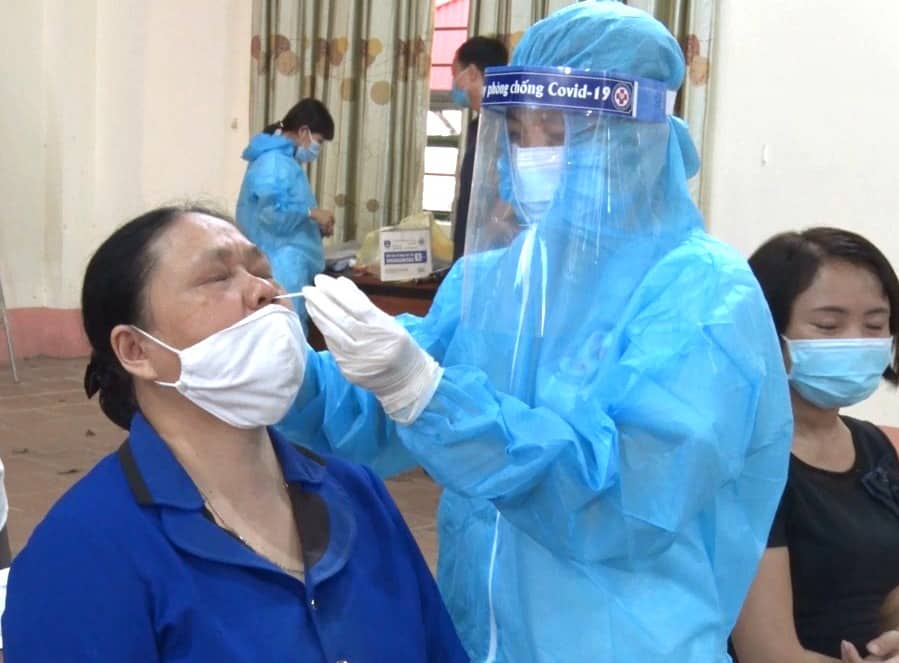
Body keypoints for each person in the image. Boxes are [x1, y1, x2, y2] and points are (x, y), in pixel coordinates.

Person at [280, 3, 793, 660]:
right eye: (522, 133)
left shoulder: (703, 292)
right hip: (480, 633)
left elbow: (622, 496)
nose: (535, 154)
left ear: (638, 137)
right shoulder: (498, 275)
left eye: (560, 131)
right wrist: (292, 377)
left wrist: (429, 396)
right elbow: (384, 406)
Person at [0, 205, 467, 662]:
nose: (264, 291)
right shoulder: (81, 555)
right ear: (136, 349)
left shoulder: (359, 495)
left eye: (263, 272)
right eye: (217, 278)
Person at [732, 228, 899, 663]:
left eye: (875, 325)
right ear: (769, 332)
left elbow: (888, 595)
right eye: (829, 325)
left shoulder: (875, 446)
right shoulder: (747, 461)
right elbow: (768, 653)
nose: (857, 341)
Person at [236, 98, 335, 332]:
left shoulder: (284, 161)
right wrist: (311, 213)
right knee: (286, 334)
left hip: (286, 263)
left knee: (287, 332)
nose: (317, 149)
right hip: (281, 266)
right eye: (319, 141)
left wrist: (315, 225)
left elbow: (285, 212)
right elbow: (272, 216)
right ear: (303, 131)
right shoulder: (273, 162)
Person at [449, 36, 509, 263]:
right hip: (472, 246)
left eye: (456, 75)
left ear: (473, 72)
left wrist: (487, 236)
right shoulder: (479, 126)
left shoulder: (509, 124)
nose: (455, 84)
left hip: (492, 251)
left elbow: (510, 190)